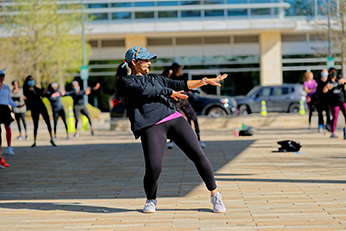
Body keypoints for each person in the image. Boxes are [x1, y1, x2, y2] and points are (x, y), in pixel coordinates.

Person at [116, 46, 227, 213]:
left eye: (149, 60)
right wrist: (169, 92)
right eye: (145, 60)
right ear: (134, 62)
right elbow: (146, 92)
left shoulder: (157, 78)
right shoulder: (126, 82)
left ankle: (215, 194)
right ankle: (151, 200)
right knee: (154, 167)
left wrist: (204, 81)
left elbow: (182, 84)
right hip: (151, 125)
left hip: (172, 118)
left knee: (198, 154)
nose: (149, 63)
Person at [163, 62, 206, 149]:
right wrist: (169, 73)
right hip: (175, 102)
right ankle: (171, 140)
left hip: (185, 101)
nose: (181, 70)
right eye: (180, 69)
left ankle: (198, 139)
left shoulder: (182, 77)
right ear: (175, 70)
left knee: (193, 118)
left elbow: (187, 86)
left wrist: (194, 91)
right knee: (174, 121)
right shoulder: (170, 78)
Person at [23, 75, 56, 147]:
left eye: (32, 79)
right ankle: (34, 141)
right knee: (35, 124)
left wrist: (49, 91)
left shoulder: (36, 89)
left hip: (41, 106)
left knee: (48, 122)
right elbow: (29, 98)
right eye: (30, 80)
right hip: (34, 108)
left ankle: (51, 138)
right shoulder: (25, 90)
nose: (31, 81)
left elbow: (44, 94)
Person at [0, 70, 24, 167]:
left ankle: (9, 147)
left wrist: (16, 105)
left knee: (7, 128)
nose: (2, 78)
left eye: (3, 76)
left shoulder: (7, 87)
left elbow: (9, 99)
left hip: (5, 109)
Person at [323, 69, 346, 138]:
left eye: (334, 72)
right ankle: (333, 132)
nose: (333, 73)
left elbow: (344, 80)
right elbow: (324, 91)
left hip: (342, 100)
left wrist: (343, 81)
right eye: (332, 72)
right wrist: (327, 87)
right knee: (335, 117)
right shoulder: (328, 81)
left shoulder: (339, 78)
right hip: (333, 102)